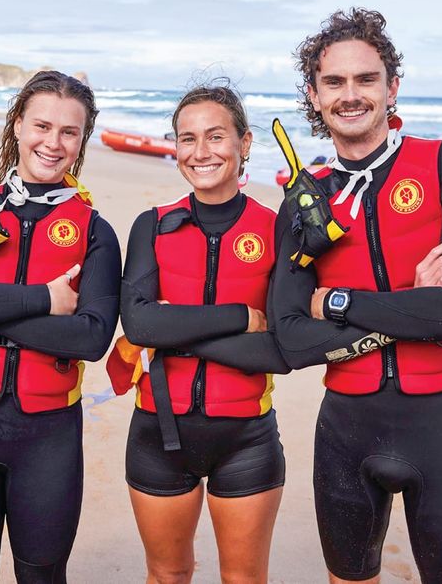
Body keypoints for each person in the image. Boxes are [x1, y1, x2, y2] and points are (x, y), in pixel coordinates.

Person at [273, 8, 442, 583]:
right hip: (345, 434)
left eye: (366, 79)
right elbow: (291, 340)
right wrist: (411, 305)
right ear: (314, 95)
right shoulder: (304, 203)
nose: (351, 95)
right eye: (334, 82)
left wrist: (336, 302)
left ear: (392, 86)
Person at [0, 70, 121, 583]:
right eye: (41, 126)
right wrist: (44, 300)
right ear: (17, 125)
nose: (53, 143)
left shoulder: (95, 231)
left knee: (43, 576)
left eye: (69, 132)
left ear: (82, 139)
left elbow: (91, 338)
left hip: (49, 437)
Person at [117, 83, 290, 584]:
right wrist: (239, 316)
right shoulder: (151, 226)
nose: (200, 152)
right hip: (157, 432)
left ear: (244, 143)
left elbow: (281, 350)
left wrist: (172, 328)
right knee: (167, 574)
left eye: (215, 136)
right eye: (187, 138)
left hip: (247, 439)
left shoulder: (276, 229)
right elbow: (139, 325)